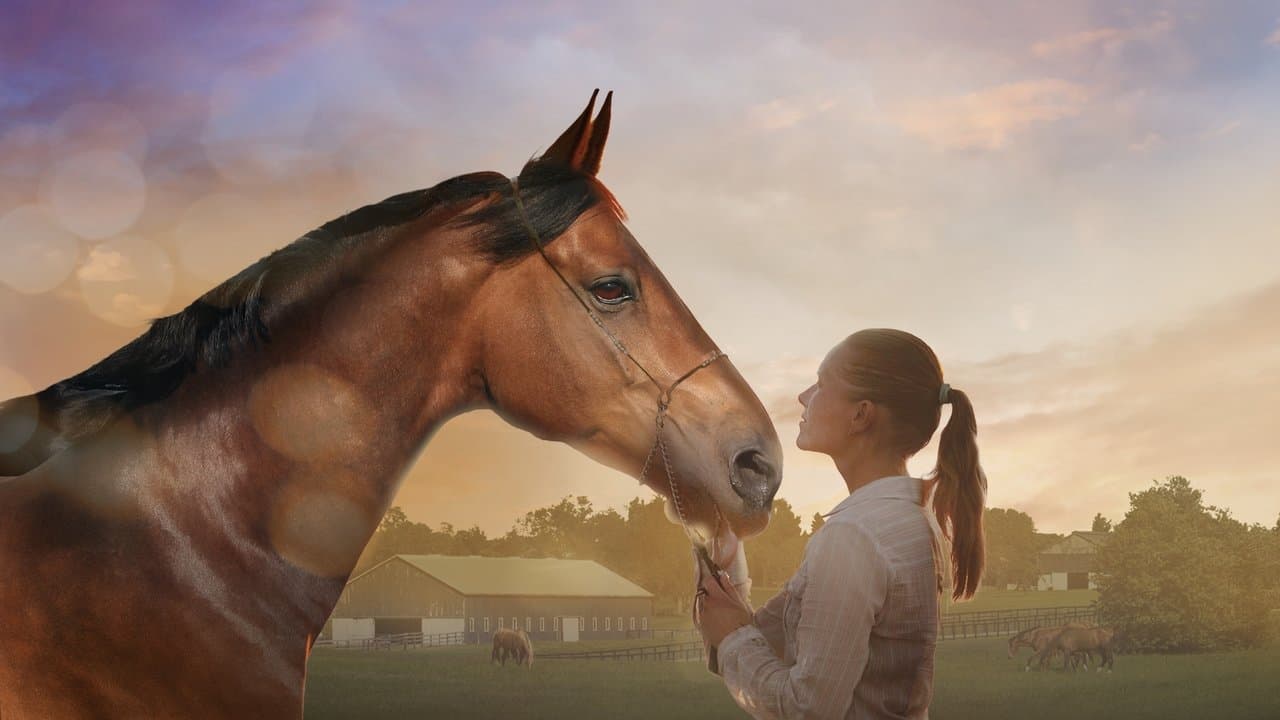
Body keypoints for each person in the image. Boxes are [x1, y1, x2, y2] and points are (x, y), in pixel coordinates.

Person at [694, 329, 987, 719]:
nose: (803, 397)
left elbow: (807, 708)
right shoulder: (911, 518)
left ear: (860, 415)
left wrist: (730, 638)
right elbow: (767, 641)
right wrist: (728, 561)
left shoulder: (854, 538)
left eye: (820, 384)